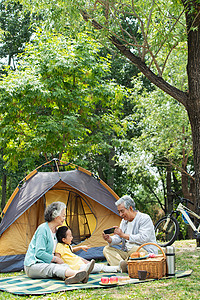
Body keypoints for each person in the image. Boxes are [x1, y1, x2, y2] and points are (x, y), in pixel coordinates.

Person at [24, 201, 94, 284]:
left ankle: (73, 277)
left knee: (64, 266)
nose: (64, 218)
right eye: (63, 215)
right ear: (55, 216)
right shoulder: (43, 229)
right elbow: (39, 253)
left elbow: (63, 248)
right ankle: (78, 274)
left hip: (47, 263)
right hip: (33, 265)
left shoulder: (56, 232)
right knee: (53, 268)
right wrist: (56, 259)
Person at [102, 195, 158, 272]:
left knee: (134, 249)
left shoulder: (144, 218)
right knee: (107, 249)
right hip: (128, 253)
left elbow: (143, 238)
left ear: (130, 208)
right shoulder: (124, 221)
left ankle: (123, 266)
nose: (120, 215)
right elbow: (119, 238)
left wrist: (124, 235)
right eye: (119, 212)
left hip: (144, 252)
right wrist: (109, 239)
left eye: (122, 211)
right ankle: (123, 267)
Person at [55, 226, 119, 274]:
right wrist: (62, 266)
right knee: (98, 267)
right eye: (70, 236)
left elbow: (72, 250)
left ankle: (116, 268)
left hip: (79, 264)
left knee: (96, 266)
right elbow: (57, 257)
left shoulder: (66, 245)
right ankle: (117, 268)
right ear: (64, 239)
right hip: (77, 268)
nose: (72, 237)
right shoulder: (59, 246)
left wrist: (80, 247)